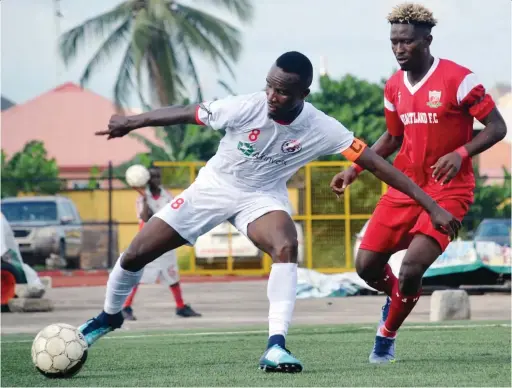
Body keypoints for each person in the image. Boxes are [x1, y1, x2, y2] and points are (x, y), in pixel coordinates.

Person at [81, 51, 461, 373]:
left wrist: (432, 206)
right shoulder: (244, 106)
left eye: (282, 91)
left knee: (286, 244)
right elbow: (187, 112)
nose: (272, 95)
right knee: (134, 255)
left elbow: (381, 166)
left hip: (261, 197)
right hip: (213, 188)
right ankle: (110, 316)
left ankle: (275, 345)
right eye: (270, 85)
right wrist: (132, 121)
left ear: (303, 93)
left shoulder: (322, 127)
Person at [337, 3, 507, 364]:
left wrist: (461, 153)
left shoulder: (459, 79)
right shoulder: (394, 86)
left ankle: (386, 337)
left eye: (407, 42)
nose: (399, 49)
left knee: (412, 267)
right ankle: (398, 299)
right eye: (394, 42)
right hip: (404, 187)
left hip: (449, 191)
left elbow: (497, 128)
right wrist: (354, 168)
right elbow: (391, 139)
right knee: (365, 266)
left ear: (427, 40)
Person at [122, 166, 201, 320]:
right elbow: (145, 218)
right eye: (152, 177)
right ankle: (126, 307)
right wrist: (145, 200)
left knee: (172, 274)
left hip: (165, 241)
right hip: (147, 242)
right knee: (138, 275)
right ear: (146, 179)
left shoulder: (167, 196)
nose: (156, 180)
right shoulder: (142, 199)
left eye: (158, 177)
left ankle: (180, 307)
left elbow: (174, 214)